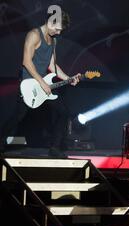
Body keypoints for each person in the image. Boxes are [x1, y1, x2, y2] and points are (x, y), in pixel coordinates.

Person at [0, 9, 81, 158]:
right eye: (57, 29)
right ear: (51, 22)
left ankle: (55, 148)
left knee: (63, 112)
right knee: (17, 117)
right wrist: (41, 82)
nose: (58, 33)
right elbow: (26, 61)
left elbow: (53, 66)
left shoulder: (53, 40)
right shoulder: (34, 35)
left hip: (45, 85)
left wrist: (68, 78)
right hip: (29, 85)